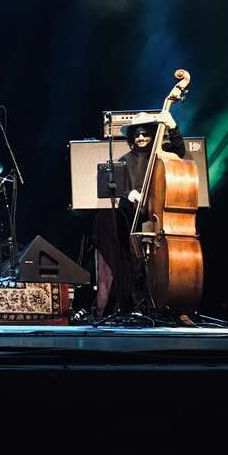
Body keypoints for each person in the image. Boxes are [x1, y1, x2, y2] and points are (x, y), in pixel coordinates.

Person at [93, 110, 186, 316]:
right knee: (134, 260)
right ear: (131, 138)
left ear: (153, 134)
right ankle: (137, 305)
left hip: (160, 217)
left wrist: (173, 127)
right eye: (137, 135)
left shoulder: (163, 154)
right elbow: (117, 187)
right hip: (136, 218)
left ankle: (169, 301)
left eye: (145, 134)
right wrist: (129, 193)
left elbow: (181, 152)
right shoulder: (124, 160)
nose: (141, 138)